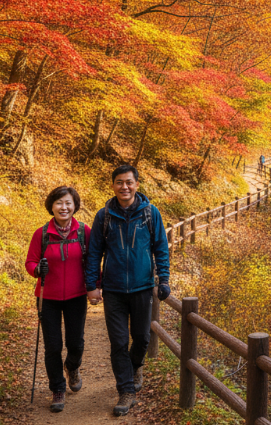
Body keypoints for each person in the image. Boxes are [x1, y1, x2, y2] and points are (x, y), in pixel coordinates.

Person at [84, 164, 170, 417]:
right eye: (119, 182)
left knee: (142, 338)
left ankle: (135, 367)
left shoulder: (150, 213)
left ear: (136, 184)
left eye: (129, 182)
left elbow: (160, 248)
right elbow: (94, 253)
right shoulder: (104, 216)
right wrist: (92, 286)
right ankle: (126, 390)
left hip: (143, 287)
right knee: (119, 342)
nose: (124, 187)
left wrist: (163, 280)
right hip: (114, 290)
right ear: (113, 185)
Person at [25, 186, 91, 413]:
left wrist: (96, 286)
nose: (64, 207)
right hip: (48, 297)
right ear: (51, 206)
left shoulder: (84, 231)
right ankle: (57, 389)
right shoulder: (41, 234)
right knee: (53, 346)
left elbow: (92, 263)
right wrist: (37, 270)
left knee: (76, 343)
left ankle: (72, 367)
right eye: (59, 203)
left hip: (76, 296)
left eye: (68, 203)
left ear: (75, 206)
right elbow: (30, 262)